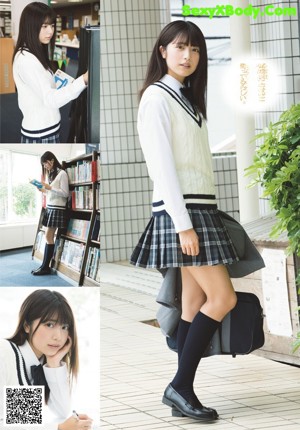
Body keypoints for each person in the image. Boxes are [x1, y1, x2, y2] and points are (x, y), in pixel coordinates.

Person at [130, 21, 239, 422]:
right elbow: (162, 167)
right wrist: (183, 224)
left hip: (199, 209)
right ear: (162, 51)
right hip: (185, 213)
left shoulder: (187, 98)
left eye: (194, 50)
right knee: (223, 298)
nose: (187, 56)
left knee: (194, 301)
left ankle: (181, 388)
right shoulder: (156, 99)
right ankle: (180, 387)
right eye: (179, 47)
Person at [0, 289, 93, 430]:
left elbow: (62, 410)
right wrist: (59, 428)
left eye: (64, 327)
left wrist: (54, 363)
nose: (58, 336)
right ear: (26, 326)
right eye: (49, 324)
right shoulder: (4, 352)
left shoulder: (37, 362)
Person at [12, 2, 88, 143]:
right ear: (30, 26)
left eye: (52, 26)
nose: (50, 32)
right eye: (44, 26)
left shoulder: (35, 53)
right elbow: (50, 100)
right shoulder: (26, 60)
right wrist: (83, 80)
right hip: (40, 132)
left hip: (47, 128)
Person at [32, 151, 69, 276]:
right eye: (44, 165)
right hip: (51, 207)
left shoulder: (62, 173)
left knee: (48, 236)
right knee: (48, 236)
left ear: (52, 160)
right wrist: (43, 190)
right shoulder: (52, 175)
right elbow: (51, 193)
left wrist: (49, 188)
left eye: (46, 164)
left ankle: (45, 267)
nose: (45, 167)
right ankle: (44, 266)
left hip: (57, 209)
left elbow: (65, 193)